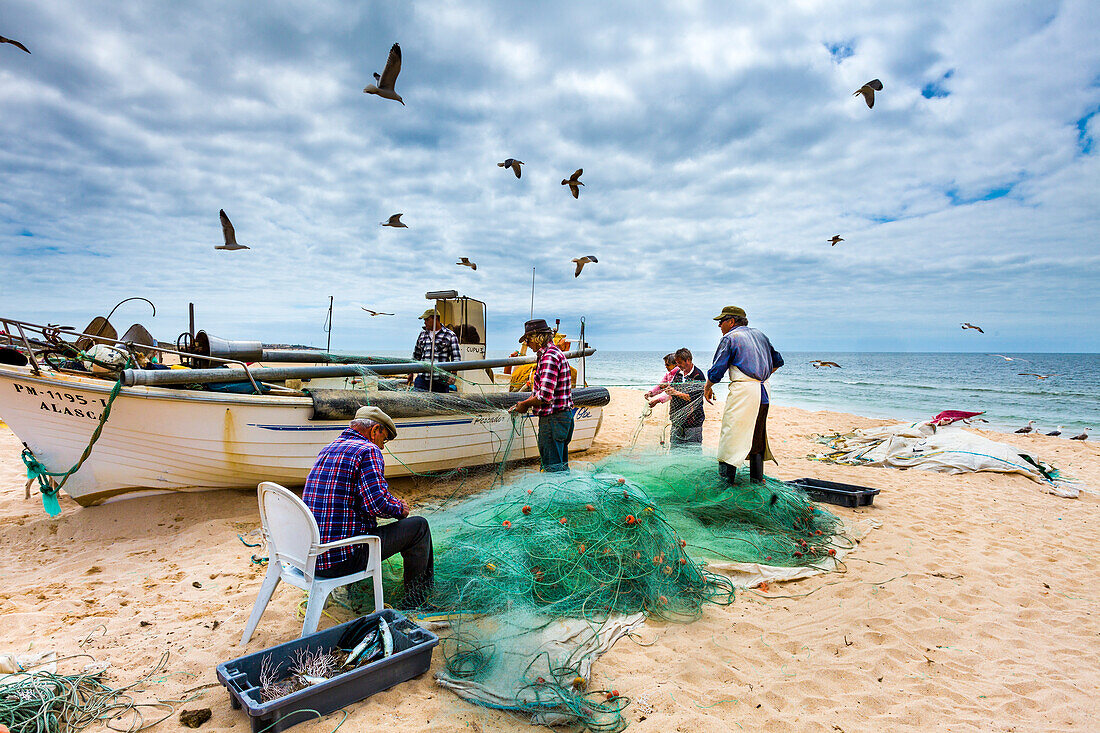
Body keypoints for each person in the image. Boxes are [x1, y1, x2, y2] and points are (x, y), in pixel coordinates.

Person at [302, 406, 434, 607]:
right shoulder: (369, 450)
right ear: (375, 431)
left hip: (311, 559)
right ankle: (415, 602)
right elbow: (376, 504)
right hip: (341, 560)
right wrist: (401, 509)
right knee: (419, 528)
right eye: (385, 439)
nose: (382, 446)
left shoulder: (328, 448)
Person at [703, 306, 784, 484]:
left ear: (731, 321)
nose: (719, 326)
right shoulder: (760, 335)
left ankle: (726, 481)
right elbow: (778, 361)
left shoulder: (730, 337)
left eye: (721, 321)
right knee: (757, 435)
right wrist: (761, 375)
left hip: (744, 392)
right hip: (763, 391)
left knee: (731, 433)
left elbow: (717, 370)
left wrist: (708, 387)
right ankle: (756, 480)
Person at [510, 318, 575, 471]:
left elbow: (545, 395)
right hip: (563, 419)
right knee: (561, 466)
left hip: (553, 420)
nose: (527, 343)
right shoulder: (554, 353)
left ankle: (556, 494)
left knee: (553, 469)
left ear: (537, 338)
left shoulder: (549, 357)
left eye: (528, 339)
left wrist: (524, 404)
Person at [663, 347, 705, 449]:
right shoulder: (678, 373)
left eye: (680, 363)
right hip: (677, 420)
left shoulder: (698, 375)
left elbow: (692, 398)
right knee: (675, 450)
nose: (678, 366)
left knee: (692, 452)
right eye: (676, 363)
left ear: (688, 360)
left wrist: (675, 392)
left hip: (693, 422)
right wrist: (667, 389)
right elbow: (673, 387)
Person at [410, 308, 461, 392]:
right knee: (419, 403)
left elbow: (456, 358)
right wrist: (410, 372)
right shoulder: (422, 334)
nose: (424, 322)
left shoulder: (450, 335)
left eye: (427, 319)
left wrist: (453, 375)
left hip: (441, 380)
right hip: (423, 378)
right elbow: (416, 355)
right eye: (424, 320)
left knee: (439, 404)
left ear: (435, 319)